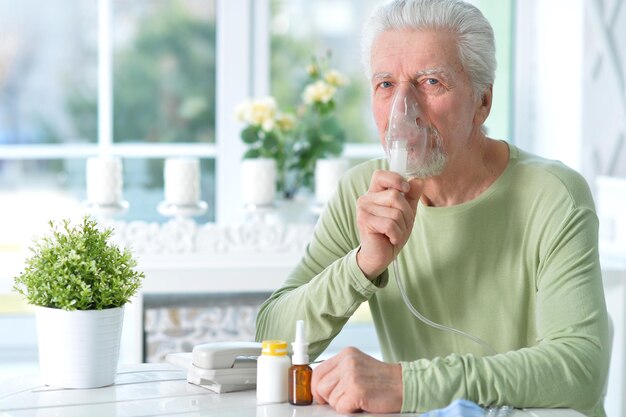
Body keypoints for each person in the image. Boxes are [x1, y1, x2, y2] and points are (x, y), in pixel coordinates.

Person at [255, 0, 610, 416]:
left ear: (483, 102)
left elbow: (580, 371)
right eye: (386, 85)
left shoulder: (553, 195)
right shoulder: (362, 193)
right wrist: (363, 264)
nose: (403, 111)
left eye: (429, 82)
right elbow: (270, 339)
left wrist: (408, 384)